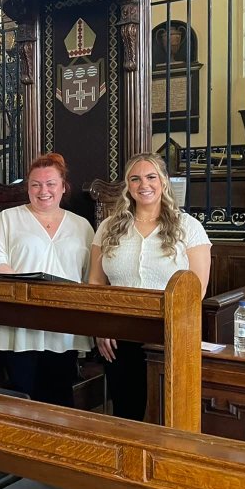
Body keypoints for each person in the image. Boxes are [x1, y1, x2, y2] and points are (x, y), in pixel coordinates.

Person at [89, 152, 212, 421]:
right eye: (135, 179)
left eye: (151, 177)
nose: (143, 184)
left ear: (164, 181)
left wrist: (175, 329)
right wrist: (101, 326)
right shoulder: (109, 227)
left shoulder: (188, 227)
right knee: (126, 412)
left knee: (167, 412)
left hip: (169, 332)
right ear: (128, 185)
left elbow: (198, 288)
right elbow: (96, 282)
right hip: (119, 331)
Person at [0, 152, 93, 406]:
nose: (44, 191)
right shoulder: (9, 219)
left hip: (63, 325)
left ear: (63, 187)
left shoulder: (82, 226)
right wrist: (22, 285)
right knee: (23, 397)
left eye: (51, 184)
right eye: (36, 184)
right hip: (21, 323)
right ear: (28, 188)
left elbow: (89, 275)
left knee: (60, 399)